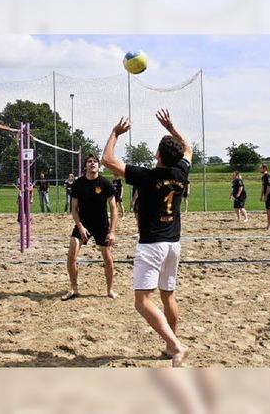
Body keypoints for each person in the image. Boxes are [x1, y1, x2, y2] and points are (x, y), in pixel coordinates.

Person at [102, 109, 191, 367]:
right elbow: (188, 149)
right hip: (174, 243)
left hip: (152, 245)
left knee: (142, 302)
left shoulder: (147, 176)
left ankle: (175, 346)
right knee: (168, 296)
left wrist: (115, 133)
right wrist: (172, 127)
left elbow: (107, 160)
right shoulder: (181, 173)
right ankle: (170, 345)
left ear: (159, 155)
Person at [61, 154, 118, 300]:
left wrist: (111, 232)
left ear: (99, 166)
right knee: (72, 252)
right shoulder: (78, 184)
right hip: (83, 223)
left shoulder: (105, 183)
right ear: (85, 166)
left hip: (101, 224)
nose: (92, 163)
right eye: (89, 161)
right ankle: (74, 289)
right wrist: (80, 227)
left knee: (108, 257)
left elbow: (113, 209)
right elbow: (73, 209)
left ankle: (110, 290)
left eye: (95, 161)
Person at [260, 164, 270, 229]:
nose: (259, 169)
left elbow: (269, 187)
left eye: (261, 168)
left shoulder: (267, 176)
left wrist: (266, 196)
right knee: (268, 211)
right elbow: (263, 187)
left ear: (264, 168)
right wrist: (261, 195)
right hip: (267, 196)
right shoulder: (263, 177)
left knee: (269, 211)